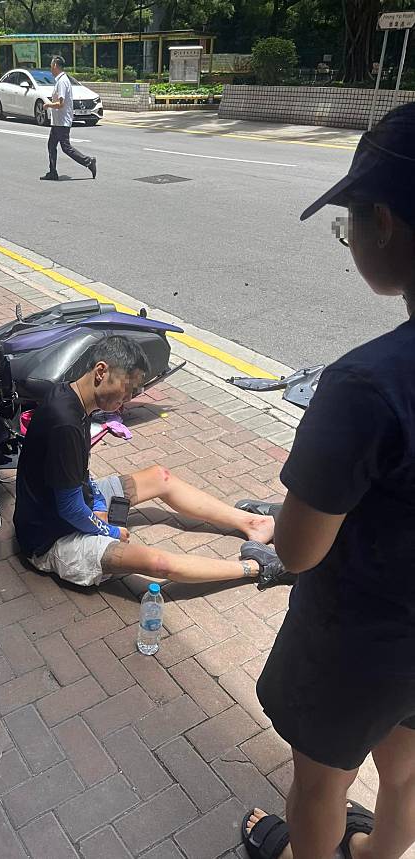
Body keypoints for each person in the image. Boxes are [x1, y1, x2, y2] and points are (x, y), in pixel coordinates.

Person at [242, 104, 415, 859]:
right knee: (407, 772)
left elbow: (301, 549)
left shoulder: (366, 385)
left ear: (384, 221)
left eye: (348, 225)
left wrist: (274, 524)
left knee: (320, 785)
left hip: (356, 643)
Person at [13, 334, 288, 589]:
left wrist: (97, 503)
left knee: (160, 476)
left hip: (72, 504)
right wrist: (108, 530)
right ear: (101, 372)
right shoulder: (65, 422)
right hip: (51, 538)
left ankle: (253, 523)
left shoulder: (70, 395)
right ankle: (257, 567)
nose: (128, 400)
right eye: (127, 389)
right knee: (158, 563)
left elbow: (78, 473)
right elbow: (70, 508)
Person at [40, 55, 96, 182]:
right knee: (51, 145)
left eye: (51, 66)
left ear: (55, 66)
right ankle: (53, 172)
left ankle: (89, 161)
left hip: (62, 121)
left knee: (66, 148)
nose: (50, 69)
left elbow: (61, 104)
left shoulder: (62, 81)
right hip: (58, 121)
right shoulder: (61, 80)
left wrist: (48, 105)